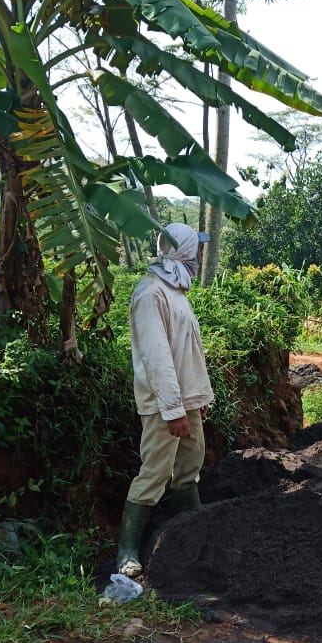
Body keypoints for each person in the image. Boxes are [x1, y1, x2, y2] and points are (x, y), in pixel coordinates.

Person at [116, 223, 215, 578]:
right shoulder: (151, 293)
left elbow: (189, 352)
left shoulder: (177, 290)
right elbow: (157, 359)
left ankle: (192, 534)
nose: (200, 252)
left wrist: (200, 397)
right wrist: (173, 410)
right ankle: (127, 552)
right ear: (183, 249)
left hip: (186, 400)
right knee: (156, 472)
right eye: (197, 246)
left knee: (189, 468)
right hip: (164, 404)